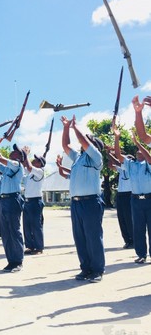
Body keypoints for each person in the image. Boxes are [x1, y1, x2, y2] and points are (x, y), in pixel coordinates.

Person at [61, 115, 105, 283]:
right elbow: (65, 145)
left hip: (90, 202)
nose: (84, 142)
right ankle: (86, 268)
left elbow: (84, 141)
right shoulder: (78, 158)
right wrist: (66, 127)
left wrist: (75, 127)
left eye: (88, 141)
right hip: (76, 203)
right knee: (80, 237)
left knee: (93, 236)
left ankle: (97, 270)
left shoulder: (96, 157)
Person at [0, 133, 25, 273]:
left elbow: (0, 158)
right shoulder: (8, 168)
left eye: (16, 151)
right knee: (6, 232)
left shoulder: (17, 165)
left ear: (20, 157)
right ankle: (11, 260)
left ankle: (18, 261)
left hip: (13, 199)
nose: (12, 151)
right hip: (4, 199)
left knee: (14, 230)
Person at [114, 125, 151, 264]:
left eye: (140, 151)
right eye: (136, 151)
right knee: (138, 229)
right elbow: (118, 155)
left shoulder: (148, 164)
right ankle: (141, 254)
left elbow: (149, 158)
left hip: (149, 198)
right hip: (135, 200)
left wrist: (138, 143)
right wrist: (117, 138)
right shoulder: (131, 164)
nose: (138, 152)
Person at [107, 150, 134, 249]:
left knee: (128, 218)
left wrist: (110, 154)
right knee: (121, 218)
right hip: (121, 195)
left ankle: (133, 240)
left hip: (129, 195)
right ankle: (127, 240)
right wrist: (110, 155)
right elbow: (111, 165)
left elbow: (116, 161)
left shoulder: (131, 167)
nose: (124, 160)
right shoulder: (121, 169)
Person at [22, 148, 45, 255]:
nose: (34, 161)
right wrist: (23, 155)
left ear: (40, 164)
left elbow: (29, 166)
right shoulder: (31, 173)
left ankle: (39, 247)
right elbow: (25, 165)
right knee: (27, 225)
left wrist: (26, 154)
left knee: (36, 225)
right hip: (27, 202)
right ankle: (30, 246)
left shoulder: (40, 172)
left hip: (35, 201)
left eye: (36, 160)